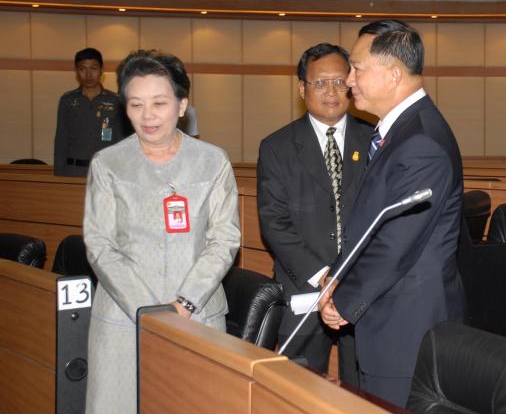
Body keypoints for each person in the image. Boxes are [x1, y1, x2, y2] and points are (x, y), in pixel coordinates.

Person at [83, 49, 241, 414]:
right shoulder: (108, 163)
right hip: (123, 318)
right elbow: (100, 244)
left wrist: (182, 304)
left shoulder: (212, 160)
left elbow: (224, 239)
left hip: (197, 314)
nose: (148, 115)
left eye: (159, 103)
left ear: (182, 105)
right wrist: (148, 310)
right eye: (136, 104)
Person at [319, 20, 464, 407]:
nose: (349, 80)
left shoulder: (421, 142)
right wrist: (337, 275)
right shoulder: (398, 131)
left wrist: (344, 300)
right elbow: (369, 223)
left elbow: (395, 243)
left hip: (407, 325)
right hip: (388, 316)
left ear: (394, 73)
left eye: (356, 68)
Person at [257, 43, 372, 385]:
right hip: (303, 288)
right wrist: (324, 277)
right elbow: (274, 223)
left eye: (339, 81)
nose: (331, 92)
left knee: (361, 392)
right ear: (302, 88)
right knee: (297, 388)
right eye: (320, 83)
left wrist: (349, 278)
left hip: (363, 288)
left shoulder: (375, 141)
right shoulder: (276, 147)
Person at [53, 47, 129, 176]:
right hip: (74, 171)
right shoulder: (67, 100)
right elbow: (61, 139)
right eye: (83, 69)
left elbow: (122, 141)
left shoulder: (115, 100)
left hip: (106, 172)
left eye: (93, 68)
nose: (88, 74)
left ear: (101, 70)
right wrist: (59, 174)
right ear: (77, 71)